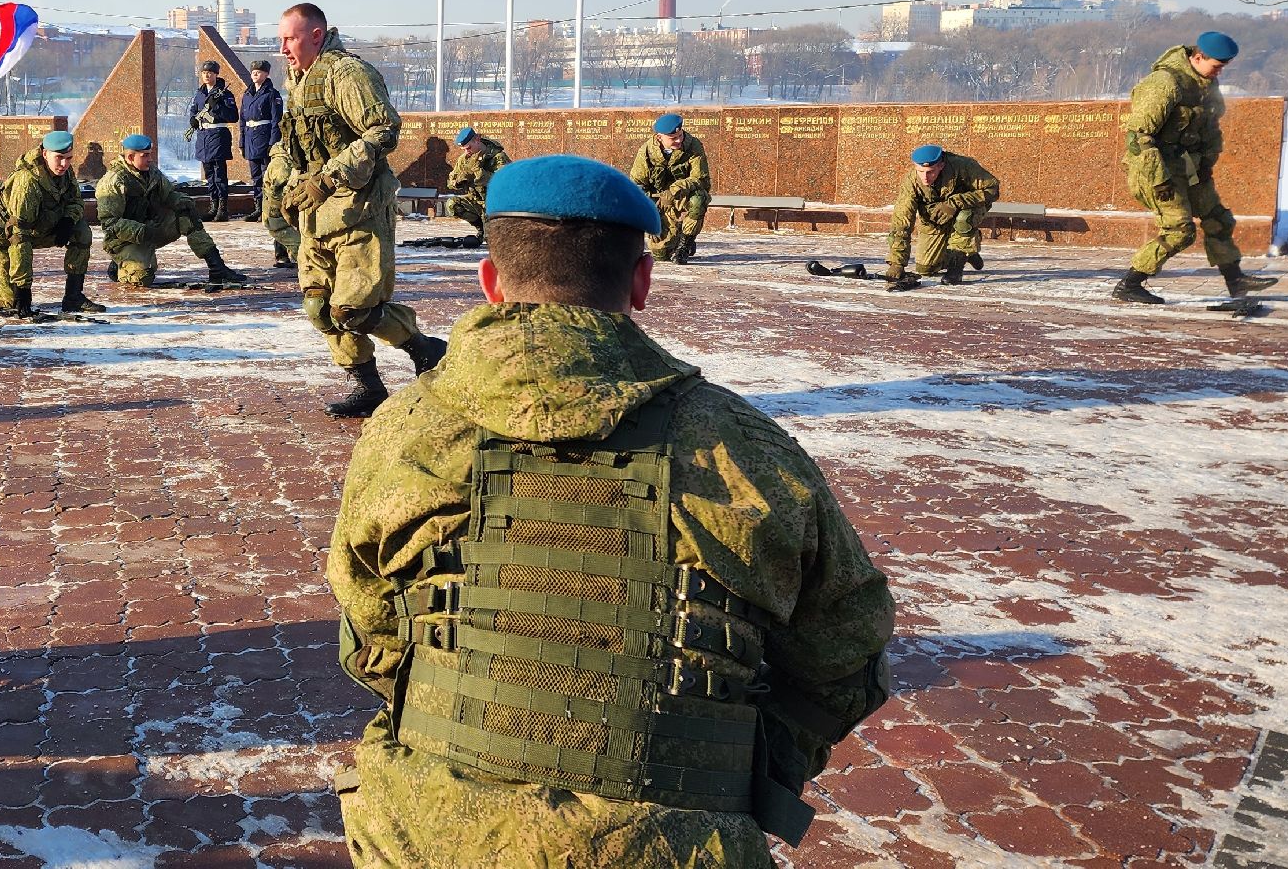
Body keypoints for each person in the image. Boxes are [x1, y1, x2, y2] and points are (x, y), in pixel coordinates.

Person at [326, 154, 895, 867]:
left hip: (425, 832)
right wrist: (714, 758)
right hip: (675, 843)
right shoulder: (746, 449)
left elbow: (373, 630)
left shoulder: (403, 430)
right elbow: (844, 653)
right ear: (641, 282)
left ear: (492, 282)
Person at [275, 2, 446, 418]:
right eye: (280, 39)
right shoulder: (297, 80)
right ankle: (368, 386)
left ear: (316, 35)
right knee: (319, 307)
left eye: (290, 38)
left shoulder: (348, 74)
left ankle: (424, 348)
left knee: (353, 310)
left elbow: (383, 130)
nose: (282, 49)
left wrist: (329, 178)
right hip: (314, 216)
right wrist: (282, 181)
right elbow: (290, 142)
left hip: (358, 209)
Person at [1112, 30, 1279, 307]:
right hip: (1156, 172)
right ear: (1198, 57)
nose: (1219, 73)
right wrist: (1159, 181)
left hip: (1188, 168)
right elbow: (1138, 138)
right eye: (1216, 66)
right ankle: (1129, 284)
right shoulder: (1164, 83)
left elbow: (1210, 129)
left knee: (1218, 218)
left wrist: (1205, 166)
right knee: (1180, 231)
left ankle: (1235, 280)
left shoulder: (1205, 84)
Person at [0, 131, 105, 319]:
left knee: (81, 231)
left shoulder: (65, 172)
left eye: (69, 158)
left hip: (37, 228)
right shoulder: (27, 181)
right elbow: (19, 235)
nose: (64, 164)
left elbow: (75, 201)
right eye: (59, 158)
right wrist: (23, 288)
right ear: (45, 154)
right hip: (2, 236)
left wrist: (67, 220)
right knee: (9, 299)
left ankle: (73, 296)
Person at [96, 133, 251, 287]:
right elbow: (110, 223)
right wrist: (142, 231)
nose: (150, 159)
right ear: (130, 157)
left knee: (185, 214)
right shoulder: (113, 182)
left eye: (150, 155)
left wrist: (183, 203)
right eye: (145, 156)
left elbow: (169, 194)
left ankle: (217, 267)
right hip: (123, 240)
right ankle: (119, 263)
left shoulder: (152, 173)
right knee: (142, 278)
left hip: (151, 229)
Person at [882, 144, 999, 291]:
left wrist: (956, 202)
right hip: (936, 220)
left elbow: (993, 189)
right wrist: (896, 263)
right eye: (920, 171)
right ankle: (970, 250)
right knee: (925, 268)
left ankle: (958, 262)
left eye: (930, 172)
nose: (925, 177)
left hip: (965, 210)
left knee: (964, 220)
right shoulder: (911, 182)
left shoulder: (963, 166)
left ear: (941, 165)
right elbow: (902, 222)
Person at [626, 113, 710, 264]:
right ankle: (676, 235)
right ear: (659, 137)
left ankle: (685, 244)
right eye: (673, 138)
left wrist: (674, 190)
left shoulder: (693, 146)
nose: (679, 140)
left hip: (682, 197)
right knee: (661, 256)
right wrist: (650, 214)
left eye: (680, 135)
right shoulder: (646, 151)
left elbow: (700, 179)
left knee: (699, 199)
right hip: (658, 202)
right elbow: (636, 184)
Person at [189, 60, 241, 221]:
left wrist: (217, 106)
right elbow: (194, 110)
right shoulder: (200, 93)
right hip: (203, 136)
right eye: (204, 73)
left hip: (218, 134)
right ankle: (213, 206)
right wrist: (193, 120)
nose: (206, 75)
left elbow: (233, 116)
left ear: (216, 75)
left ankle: (222, 209)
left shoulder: (225, 94)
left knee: (219, 174)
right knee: (209, 174)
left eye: (210, 73)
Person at [443, 126, 511, 238]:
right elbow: (451, 180)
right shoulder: (464, 159)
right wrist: (458, 182)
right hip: (477, 201)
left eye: (469, 148)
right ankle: (481, 228)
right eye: (464, 149)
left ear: (477, 140)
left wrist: (479, 175)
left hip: (496, 204)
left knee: (493, 240)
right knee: (453, 204)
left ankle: (490, 230)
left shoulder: (498, 157)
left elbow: (504, 182)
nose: (466, 152)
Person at [240, 59, 284, 218]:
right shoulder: (247, 94)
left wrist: (273, 142)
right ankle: (258, 207)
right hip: (251, 138)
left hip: (265, 138)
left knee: (267, 176)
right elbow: (242, 120)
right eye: (253, 72)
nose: (255, 75)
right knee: (255, 177)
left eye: (258, 72)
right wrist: (242, 142)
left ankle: (269, 208)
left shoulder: (272, 94)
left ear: (266, 74)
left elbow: (276, 120)